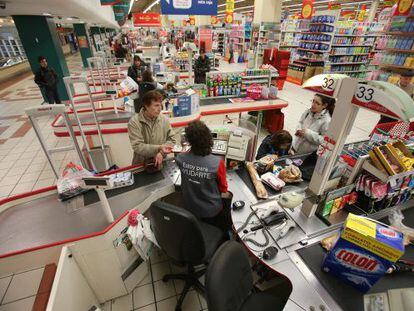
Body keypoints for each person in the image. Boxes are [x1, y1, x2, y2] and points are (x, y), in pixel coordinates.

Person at [176, 120, 231, 233]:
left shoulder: (180, 158)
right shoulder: (217, 163)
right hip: (210, 211)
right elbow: (223, 189)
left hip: (189, 208)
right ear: (208, 138)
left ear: (189, 140)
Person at [128, 90, 176, 167]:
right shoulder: (134, 122)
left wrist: (161, 153)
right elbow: (138, 146)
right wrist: (159, 148)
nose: (160, 109)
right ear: (146, 106)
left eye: (160, 105)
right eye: (156, 105)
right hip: (141, 165)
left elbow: (172, 139)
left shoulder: (164, 120)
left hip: (161, 162)